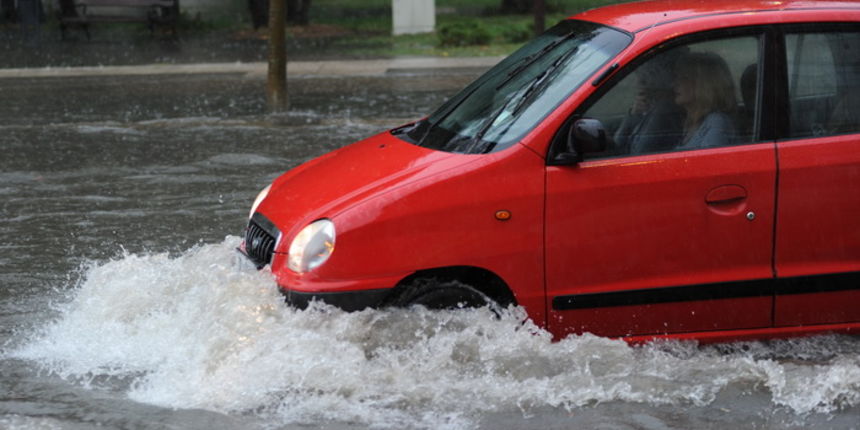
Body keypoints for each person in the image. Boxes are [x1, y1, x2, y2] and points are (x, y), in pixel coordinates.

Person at [613, 53, 685, 154]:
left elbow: (637, 151)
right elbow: (618, 143)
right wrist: (634, 114)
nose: (637, 83)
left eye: (643, 79)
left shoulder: (663, 112)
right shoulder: (648, 109)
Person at [674, 52, 738, 149]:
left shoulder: (716, 122)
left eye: (684, 78)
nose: (675, 83)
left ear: (703, 84)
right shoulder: (689, 122)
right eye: (676, 77)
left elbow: (709, 162)